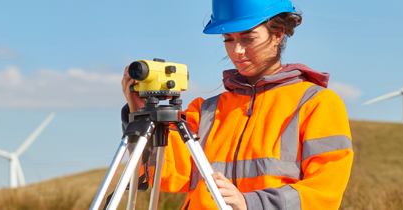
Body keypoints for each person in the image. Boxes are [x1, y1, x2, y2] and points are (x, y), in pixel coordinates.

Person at [118, 0, 354, 209]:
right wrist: (139, 114)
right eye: (228, 39)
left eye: (248, 38)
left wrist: (250, 204)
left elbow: (324, 193)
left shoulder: (317, 103)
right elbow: (162, 174)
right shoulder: (206, 111)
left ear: (279, 33)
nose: (237, 51)